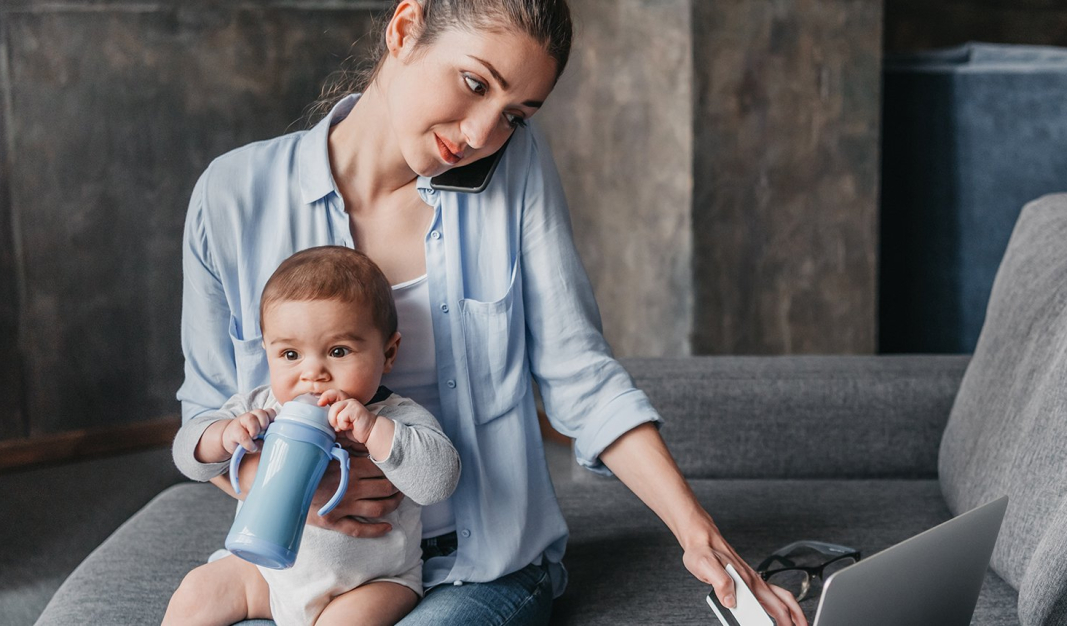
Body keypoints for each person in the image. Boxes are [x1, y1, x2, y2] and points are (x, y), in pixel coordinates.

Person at [176, 0, 808, 624]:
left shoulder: (516, 171)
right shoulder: (231, 197)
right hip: (301, 565)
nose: (480, 135)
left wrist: (697, 532)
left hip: (479, 570)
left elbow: (581, 376)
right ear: (404, 29)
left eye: (513, 114)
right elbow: (205, 417)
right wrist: (282, 486)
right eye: (474, 83)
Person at [166, 246, 461, 625]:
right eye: (290, 355)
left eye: (338, 351)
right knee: (197, 591)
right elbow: (187, 455)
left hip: (370, 582)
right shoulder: (261, 406)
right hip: (267, 577)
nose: (313, 373)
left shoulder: (394, 415)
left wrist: (373, 432)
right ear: (267, 352)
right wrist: (223, 436)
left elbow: (439, 481)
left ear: (388, 353)